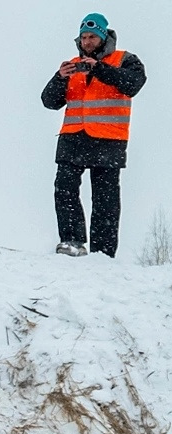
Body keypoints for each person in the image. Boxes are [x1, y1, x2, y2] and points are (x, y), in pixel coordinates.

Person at [41, 13, 146, 257]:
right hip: (73, 136)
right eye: (84, 37)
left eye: (92, 37)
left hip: (109, 137)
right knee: (64, 189)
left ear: (103, 37)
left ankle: (103, 253)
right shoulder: (71, 65)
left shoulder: (125, 60)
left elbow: (133, 84)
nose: (87, 42)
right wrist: (60, 78)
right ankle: (71, 242)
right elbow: (49, 101)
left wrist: (99, 69)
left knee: (105, 199)